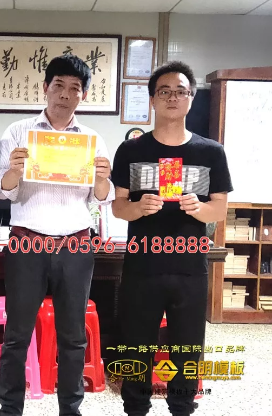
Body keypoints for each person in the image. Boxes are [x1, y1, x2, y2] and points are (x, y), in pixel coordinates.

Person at [0, 54, 115, 416]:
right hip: (27, 242)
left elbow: (100, 199)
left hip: (75, 243)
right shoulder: (18, 132)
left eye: (74, 88)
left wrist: (102, 179)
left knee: (73, 336)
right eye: (58, 85)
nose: (65, 94)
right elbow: (1, 189)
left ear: (83, 95)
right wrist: (14, 171)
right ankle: (10, 410)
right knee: (17, 335)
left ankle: (70, 410)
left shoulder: (92, 140)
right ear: (45, 88)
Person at [111, 61, 233, 416]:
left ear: (191, 98)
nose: (172, 97)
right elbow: (118, 207)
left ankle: (182, 408)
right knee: (135, 346)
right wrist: (138, 207)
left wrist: (199, 208)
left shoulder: (211, 152)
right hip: (142, 268)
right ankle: (135, 408)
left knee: (187, 348)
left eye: (181, 91)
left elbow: (219, 209)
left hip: (189, 268)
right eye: (164, 91)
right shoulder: (131, 150)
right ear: (152, 99)